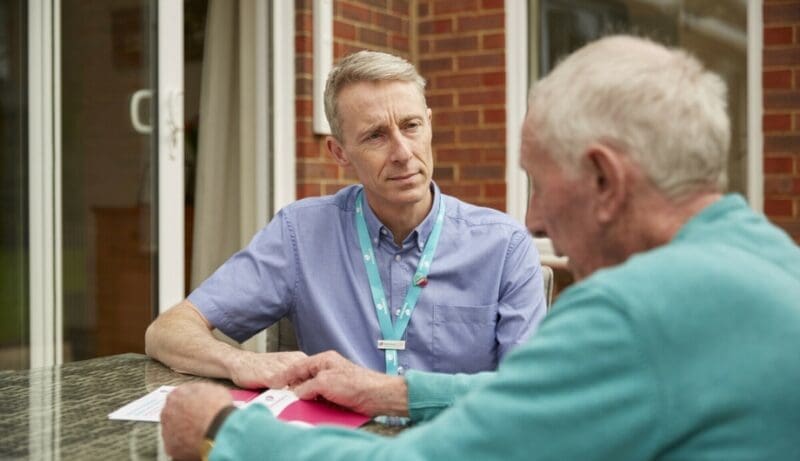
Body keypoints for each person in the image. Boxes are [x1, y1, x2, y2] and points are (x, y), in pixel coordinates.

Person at [161, 35, 800, 460]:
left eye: (540, 184)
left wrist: (224, 428)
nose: (533, 216)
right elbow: (541, 397)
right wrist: (393, 393)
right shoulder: (770, 261)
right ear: (340, 152)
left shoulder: (634, 313)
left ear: (605, 181)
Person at [145, 50, 546, 388]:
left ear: (429, 125)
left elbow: (529, 392)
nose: (403, 152)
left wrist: (393, 396)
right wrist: (241, 363)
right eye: (376, 136)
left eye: (411, 126)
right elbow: (167, 331)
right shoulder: (300, 235)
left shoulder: (504, 245)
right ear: (339, 153)